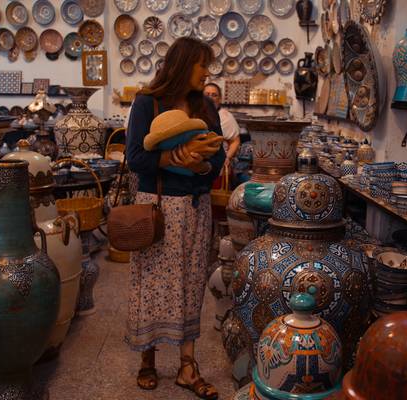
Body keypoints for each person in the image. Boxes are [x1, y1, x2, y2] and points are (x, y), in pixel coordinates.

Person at [124, 36, 225, 400]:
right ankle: (147, 360)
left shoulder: (205, 105)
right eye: (203, 65)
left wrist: (201, 166)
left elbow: (219, 158)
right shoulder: (146, 102)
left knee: (191, 284)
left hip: (196, 209)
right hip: (159, 207)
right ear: (185, 64)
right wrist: (172, 160)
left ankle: (187, 365)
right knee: (151, 283)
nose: (208, 73)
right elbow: (135, 157)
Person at [203, 83, 240, 171]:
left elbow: (235, 141)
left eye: (214, 95)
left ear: (219, 99)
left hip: (218, 161)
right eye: (207, 94)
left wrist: (227, 158)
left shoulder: (226, 116)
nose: (210, 97)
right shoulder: (196, 113)